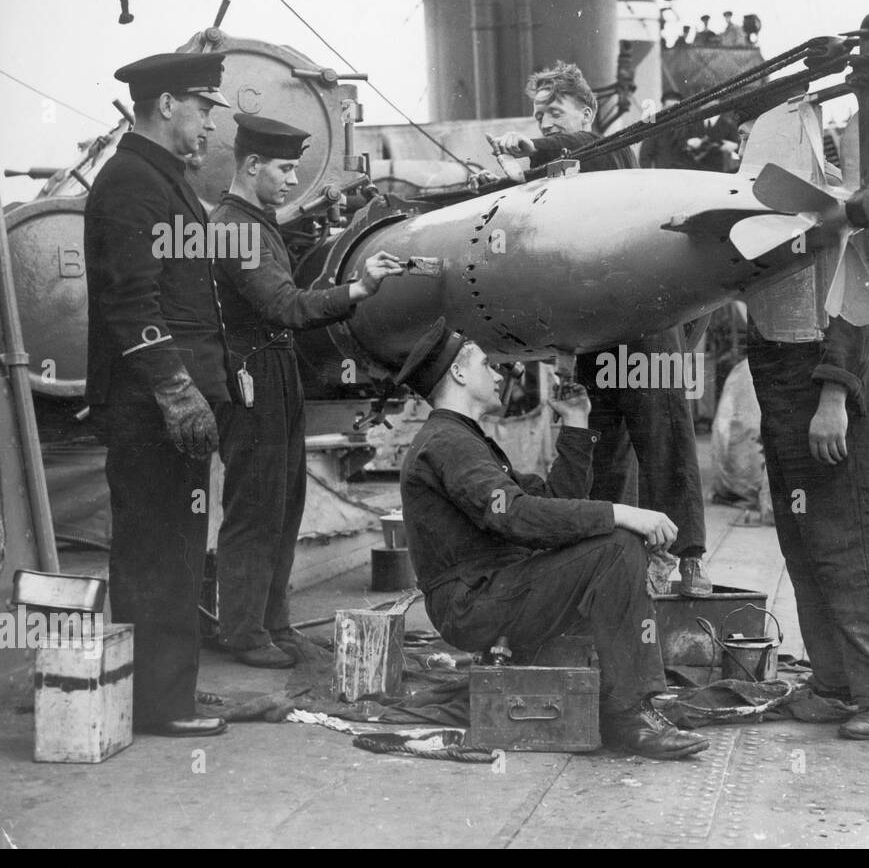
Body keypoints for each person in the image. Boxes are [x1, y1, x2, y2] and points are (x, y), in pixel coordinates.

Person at [397, 319, 709, 760]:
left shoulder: (464, 440)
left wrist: (577, 423)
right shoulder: (447, 443)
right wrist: (621, 511)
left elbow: (551, 500)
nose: (501, 375)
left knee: (613, 541)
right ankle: (630, 717)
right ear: (460, 375)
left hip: (494, 592)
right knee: (617, 546)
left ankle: (626, 696)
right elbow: (518, 516)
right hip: (473, 605)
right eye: (488, 366)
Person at [489, 62, 712, 595]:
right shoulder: (558, 173)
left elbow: (580, 145)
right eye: (538, 113)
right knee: (601, 450)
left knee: (666, 444)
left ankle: (688, 561)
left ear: (585, 112)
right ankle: (613, 559)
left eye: (554, 111)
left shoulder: (609, 150)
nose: (544, 121)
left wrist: (530, 145)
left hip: (647, 327)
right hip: (596, 337)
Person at [739, 122, 869, 740]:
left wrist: (834, 396)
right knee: (805, 541)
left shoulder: (839, 216)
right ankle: (835, 684)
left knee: (851, 544)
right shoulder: (765, 225)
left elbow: (854, 307)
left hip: (838, 386)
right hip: (787, 396)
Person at [210, 114, 405, 667]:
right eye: (285, 168)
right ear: (251, 165)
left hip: (276, 372)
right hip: (252, 377)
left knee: (286, 501)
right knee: (255, 506)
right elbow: (282, 306)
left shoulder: (256, 220)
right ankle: (243, 632)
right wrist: (359, 289)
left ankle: (274, 622)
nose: (294, 180)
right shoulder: (235, 228)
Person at [83, 52, 232, 738]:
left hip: (170, 406)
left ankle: (166, 694)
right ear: (168, 104)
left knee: (174, 547)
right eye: (203, 108)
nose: (209, 124)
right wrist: (175, 390)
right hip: (151, 409)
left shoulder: (160, 178)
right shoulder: (132, 184)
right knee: (157, 549)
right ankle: (158, 705)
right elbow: (129, 299)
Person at [638, 90, 704, 170]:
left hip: (686, 175)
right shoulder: (654, 126)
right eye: (669, 108)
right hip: (663, 174)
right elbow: (645, 155)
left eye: (676, 108)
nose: (672, 111)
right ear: (663, 107)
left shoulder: (690, 124)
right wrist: (648, 176)